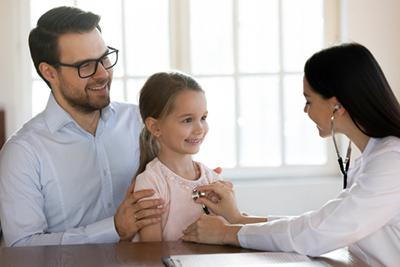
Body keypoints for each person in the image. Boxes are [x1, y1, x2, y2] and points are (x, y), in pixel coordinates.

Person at [182, 43, 400, 266]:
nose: (306, 110)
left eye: (308, 101)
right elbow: (319, 222)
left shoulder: (391, 162)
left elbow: (318, 233)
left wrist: (226, 234)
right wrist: (239, 220)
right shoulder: (376, 157)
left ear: (336, 106)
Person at [0, 6, 164, 247]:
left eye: (104, 58)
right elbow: (22, 248)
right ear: (49, 72)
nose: (103, 74)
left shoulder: (141, 122)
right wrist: (114, 228)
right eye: (85, 66)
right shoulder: (23, 153)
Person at [132, 72, 221, 241]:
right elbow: (151, 253)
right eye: (188, 120)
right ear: (155, 127)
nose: (200, 129)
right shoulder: (150, 183)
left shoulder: (212, 179)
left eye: (203, 118)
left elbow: (225, 236)